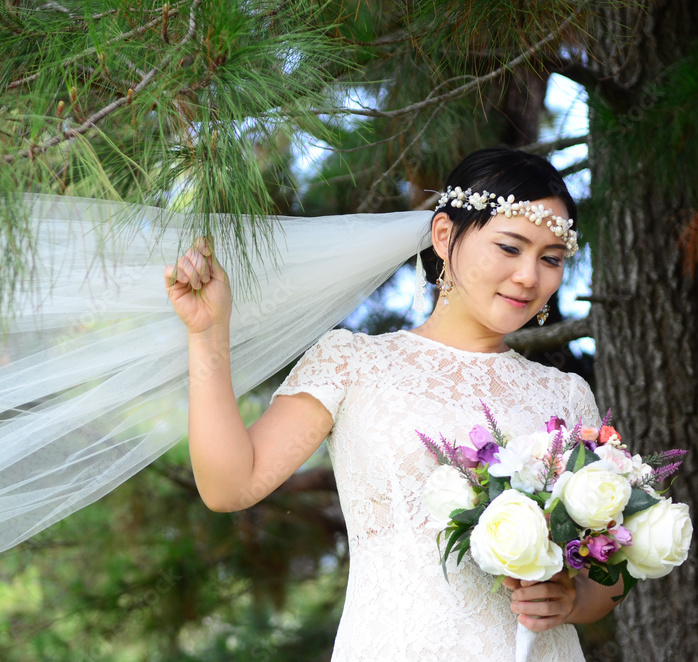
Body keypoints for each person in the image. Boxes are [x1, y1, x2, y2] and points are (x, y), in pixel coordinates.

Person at [164, 147, 622, 660]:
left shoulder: (565, 395)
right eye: (510, 247)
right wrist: (207, 336)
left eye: (551, 259)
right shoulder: (353, 363)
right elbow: (231, 486)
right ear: (445, 236)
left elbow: (606, 571)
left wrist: (571, 599)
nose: (529, 277)